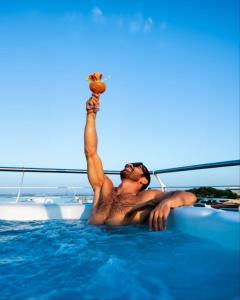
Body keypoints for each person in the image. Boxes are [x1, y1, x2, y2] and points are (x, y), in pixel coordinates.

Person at [84, 93, 197, 231]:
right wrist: (91, 114)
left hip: (119, 247)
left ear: (143, 181)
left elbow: (190, 197)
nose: (130, 165)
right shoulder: (103, 187)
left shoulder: (147, 197)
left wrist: (167, 203)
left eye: (138, 166)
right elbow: (91, 153)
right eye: (129, 164)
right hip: (87, 243)